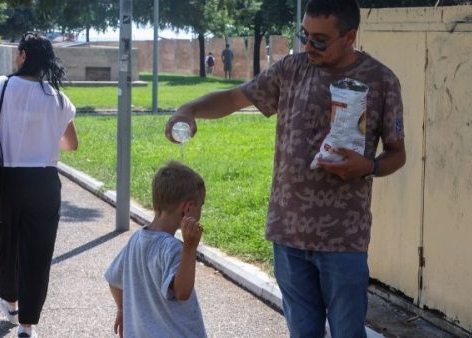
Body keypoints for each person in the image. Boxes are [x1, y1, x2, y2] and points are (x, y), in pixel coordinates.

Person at [165, 0, 406, 337]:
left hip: (342, 239)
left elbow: (397, 154)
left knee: (348, 333)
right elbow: (236, 97)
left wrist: (369, 166)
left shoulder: (381, 80)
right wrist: (189, 109)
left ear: (349, 36)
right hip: (287, 233)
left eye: (320, 39)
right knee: (302, 333)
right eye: (304, 35)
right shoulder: (292, 69)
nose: (308, 45)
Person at [0, 32, 78, 338]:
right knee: (39, 253)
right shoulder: (59, 98)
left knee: (7, 245)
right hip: (45, 182)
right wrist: (43, 136)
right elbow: (71, 144)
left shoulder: (0, 87)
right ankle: (27, 326)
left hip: (6, 180)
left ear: (21, 55)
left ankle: (10, 299)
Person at [105, 161, 207, 338]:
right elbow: (182, 292)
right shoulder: (173, 249)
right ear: (188, 208)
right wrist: (189, 248)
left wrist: (122, 308)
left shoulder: (136, 240)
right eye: (201, 206)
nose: (200, 213)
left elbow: (114, 279)